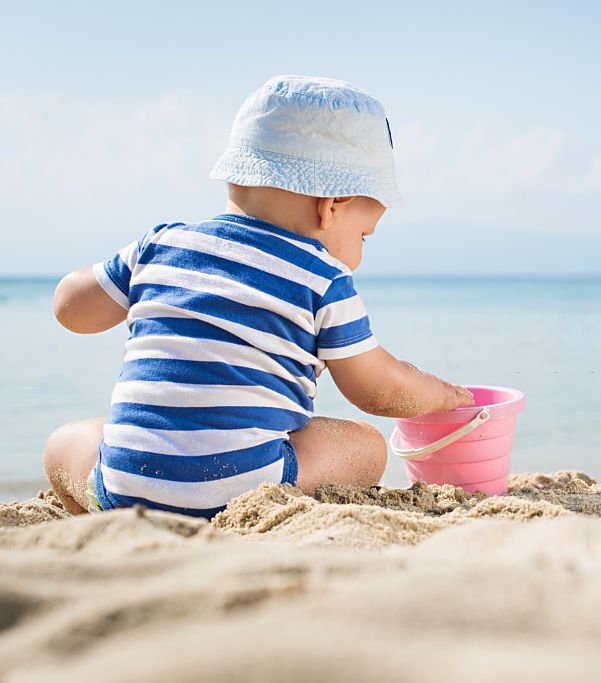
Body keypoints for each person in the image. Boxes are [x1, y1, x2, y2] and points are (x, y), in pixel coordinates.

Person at [43, 75, 475, 518]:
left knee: (65, 442)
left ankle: (107, 516)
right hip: (243, 492)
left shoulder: (161, 245)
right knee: (364, 444)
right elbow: (379, 390)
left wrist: (125, 271)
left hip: (128, 487)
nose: (360, 254)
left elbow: (71, 311)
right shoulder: (321, 278)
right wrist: (439, 394)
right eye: (365, 235)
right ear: (332, 207)